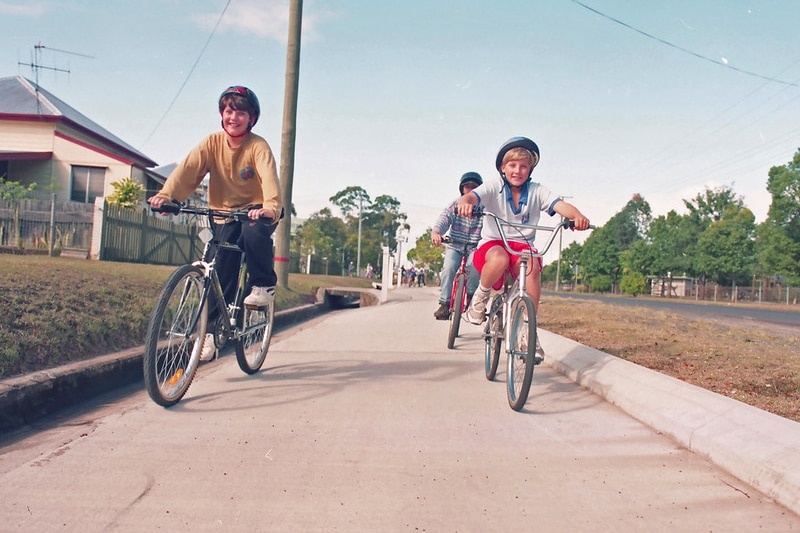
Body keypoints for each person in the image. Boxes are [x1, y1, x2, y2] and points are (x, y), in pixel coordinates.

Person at [148, 85, 282, 361]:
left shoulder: (257, 146)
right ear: (222, 114)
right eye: (229, 111)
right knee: (218, 271)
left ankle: (263, 285)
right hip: (222, 214)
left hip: (256, 211)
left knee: (254, 234)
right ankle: (208, 333)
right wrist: (167, 196)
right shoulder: (211, 143)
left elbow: (269, 177)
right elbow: (188, 170)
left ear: (252, 118)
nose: (234, 117)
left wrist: (270, 207)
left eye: (241, 112)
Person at [457, 136, 590, 355]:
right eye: (512, 165)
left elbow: (560, 206)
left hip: (522, 247)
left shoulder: (537, 191)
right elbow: (471, 197)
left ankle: (528, 332)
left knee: (533, 268)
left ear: (530, 169)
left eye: (523, 166)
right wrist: (465, 204)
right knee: (499, 258)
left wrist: (578, 216)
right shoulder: (494, 186)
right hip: (494, 244)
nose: (517, 171)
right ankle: (479, 299)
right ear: (503, 167)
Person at [430, 172, 484, 320]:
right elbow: (444, 218)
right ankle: (445, 304)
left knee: (474, 268)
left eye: (475, 188)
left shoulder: (485, 208)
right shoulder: (456, 204)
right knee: (448, 268)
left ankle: (472, 300)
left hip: (475, 246)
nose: (470, 190)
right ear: (462, 189)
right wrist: (436, 232)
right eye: (467, 187)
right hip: (455, 245)